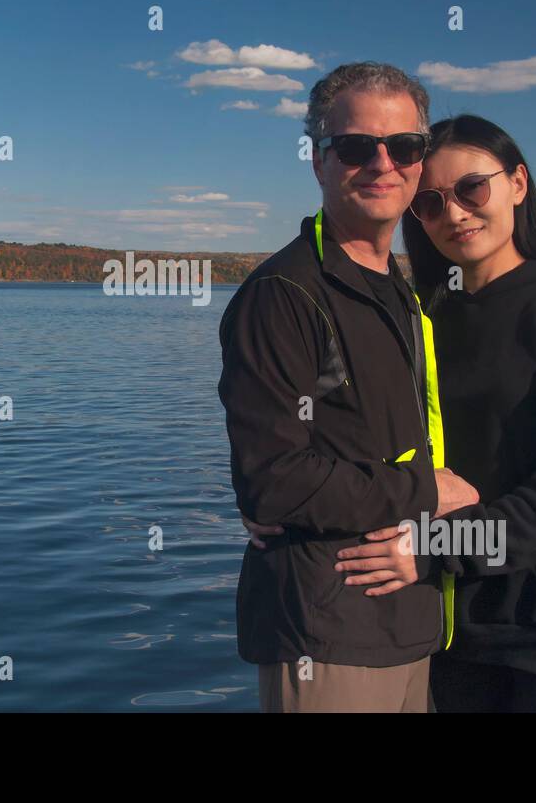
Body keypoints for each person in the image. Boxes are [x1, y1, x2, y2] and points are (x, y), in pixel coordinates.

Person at [334, 114, 536, 712]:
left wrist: (427, 548)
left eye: (472, 189)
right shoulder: (424, 318)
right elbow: (356, 427)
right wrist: (283, 498)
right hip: (449, 634)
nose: (455, 214)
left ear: (518, 184)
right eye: (430, 203)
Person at [219, 62, 477, 713]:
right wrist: (428, 491)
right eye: (358, 146)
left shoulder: (401, 291)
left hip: (413, 626)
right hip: (327, 638)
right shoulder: (284, 295)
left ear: (420, 162)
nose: (382, 163)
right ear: (318, 161)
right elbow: (273, 479)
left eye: (404, 146)